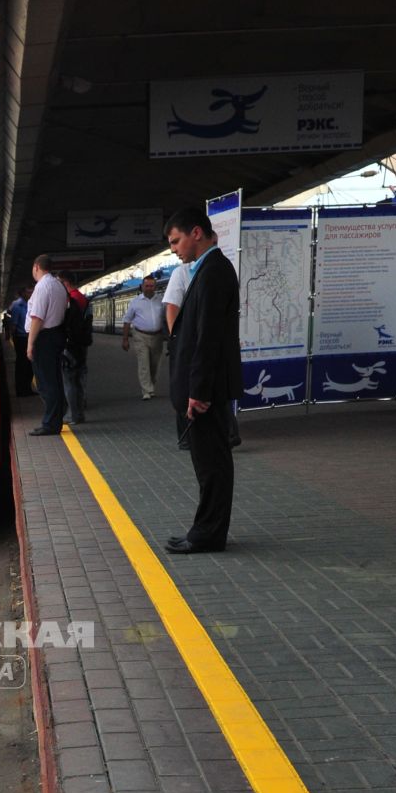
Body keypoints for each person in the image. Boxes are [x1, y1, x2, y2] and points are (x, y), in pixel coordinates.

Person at [164, 206, 243, 555]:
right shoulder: (207, 269)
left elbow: (206, 337)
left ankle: (207, 534)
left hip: (206, 393)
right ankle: (204, 529)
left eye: (176, 240)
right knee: (207, 465)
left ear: (197, 232)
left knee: (212, 466)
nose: (174, 249)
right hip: (204, 390)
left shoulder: (213, 271)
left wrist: (198, 391)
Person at [25, 254, 69, 435]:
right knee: (55, 381)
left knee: (45, 383)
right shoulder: (58, 285)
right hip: (55, 335)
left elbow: (37, 318)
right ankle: (56, 418)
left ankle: (50, 423)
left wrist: (30, 344)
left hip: (44, 338)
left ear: (36, 267)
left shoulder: (43, 287)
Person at [121, 275, 167, 399]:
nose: (149, 288)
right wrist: (125, 339)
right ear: (142, 286)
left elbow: (166, 318)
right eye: (147, 286)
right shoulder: (135, 302)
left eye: (151, 286)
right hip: (140, 335)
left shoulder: (161, 300)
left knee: (155, 364)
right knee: (144, 363)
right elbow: (127, 320)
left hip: (157, 336)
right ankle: (147, 391)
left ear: (155, 287)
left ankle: (151, 385)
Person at [61, 282, 93, 426]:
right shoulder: (77, 305)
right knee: (78, 382)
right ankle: (79, 414)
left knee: (69, 382)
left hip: (70, 349)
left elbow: (66, 329)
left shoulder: (66, 308)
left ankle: (72, 415)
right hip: (80, 348)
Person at [3, 289, 33, 396]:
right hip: (21, 338)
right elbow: (13, 325)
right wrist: (12, 339)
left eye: (32, 291)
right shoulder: (17, 306)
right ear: (23, 293)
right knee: (22, 364)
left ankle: (28, 388)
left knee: (29, 365)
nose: (31, 294)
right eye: (29, 292)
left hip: (29, 337)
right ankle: (20, 390)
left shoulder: (30, 304)